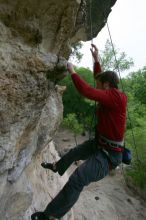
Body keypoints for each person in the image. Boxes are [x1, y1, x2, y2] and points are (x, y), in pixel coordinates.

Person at [31, 44, 127, 220]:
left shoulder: (117, 97)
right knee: (74, 152)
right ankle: (57, 166)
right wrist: (96, 59)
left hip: (109, 156)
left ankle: (50, 216)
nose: (96, 86)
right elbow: (99, 79)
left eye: (99, 84)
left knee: (77, 179)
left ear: (106, 85)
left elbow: (86, 91)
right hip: (101, 143)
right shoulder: (110, 92)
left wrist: (72, 71)